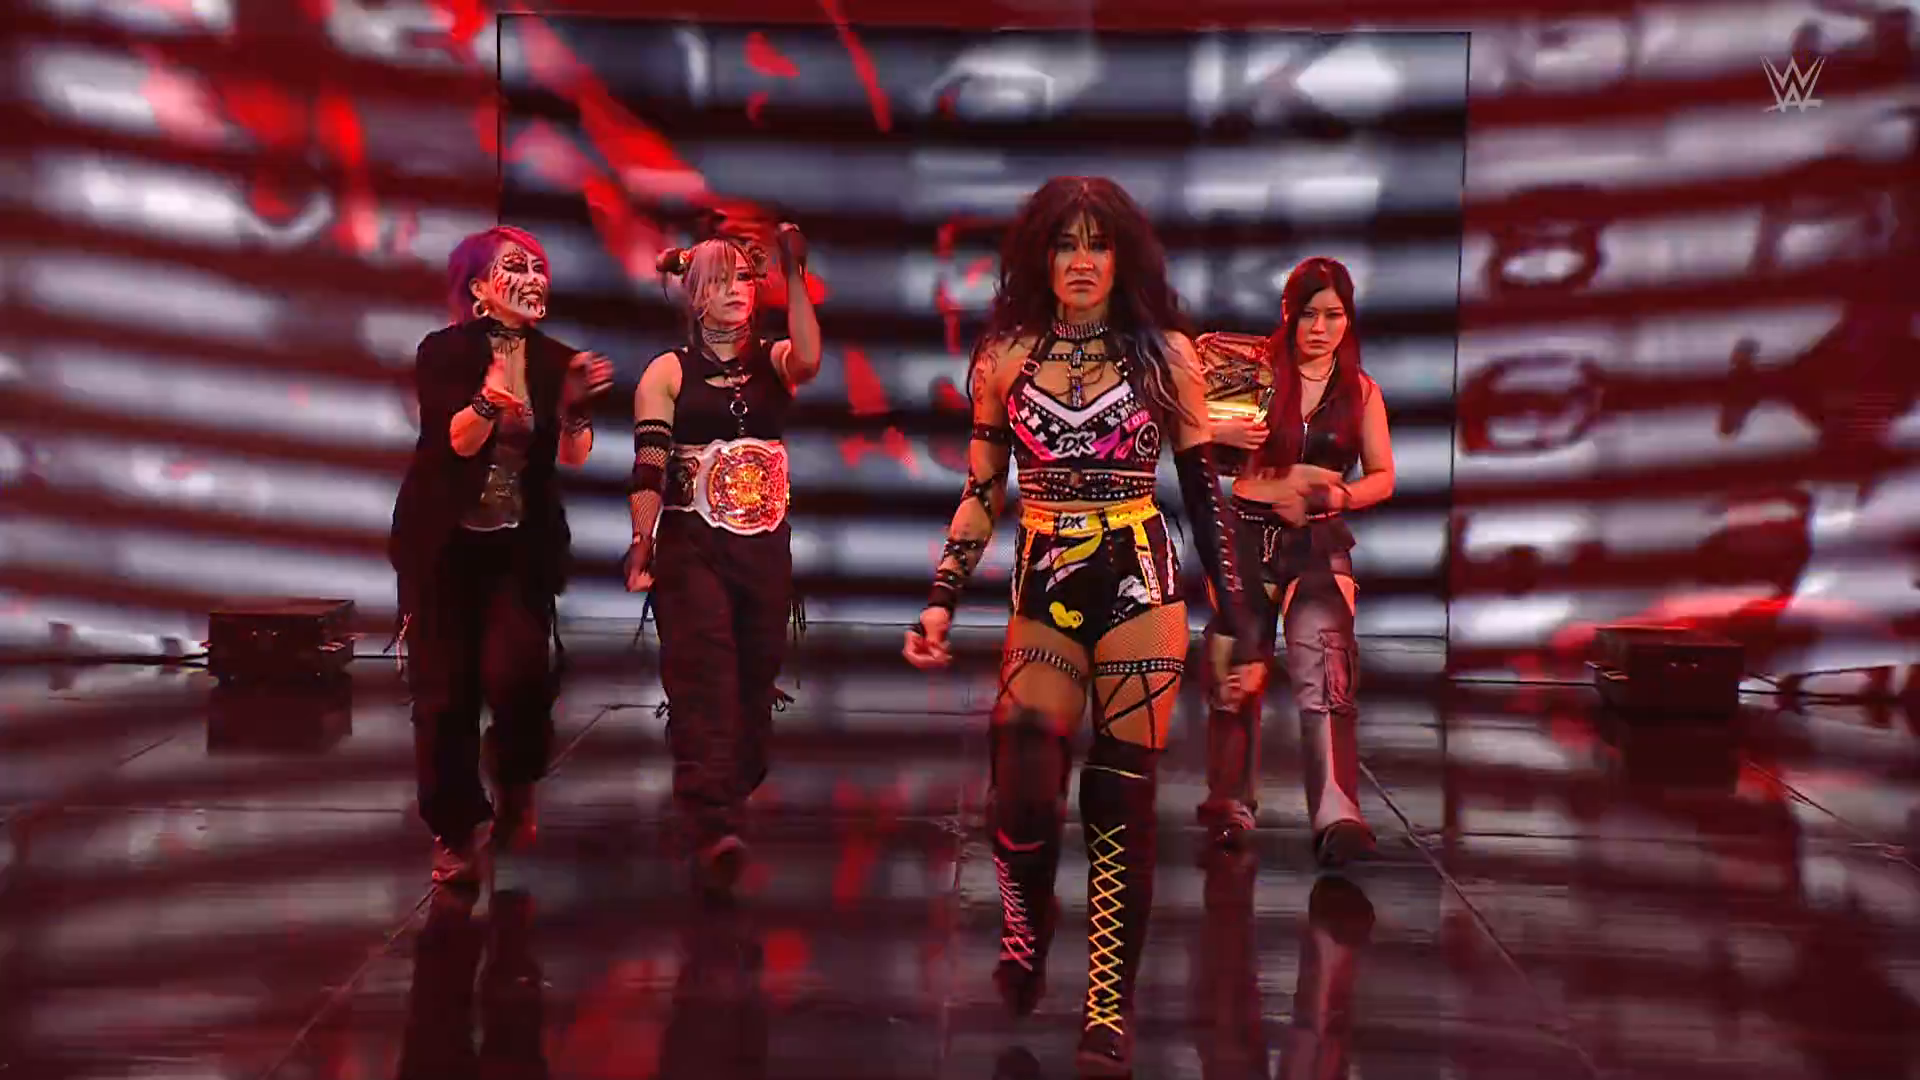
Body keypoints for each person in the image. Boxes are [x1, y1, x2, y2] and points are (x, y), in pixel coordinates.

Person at [901, 175, 1264, 1075]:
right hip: (1045, 584)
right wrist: (942, 595)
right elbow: (982, 490)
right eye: (1066, 243)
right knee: (1022, 791)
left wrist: (1238, 618)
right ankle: (1028, 918)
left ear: (1123, 256)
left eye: (1099, 244)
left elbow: (1203, 496)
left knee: (1118, 799)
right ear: (1041, 253)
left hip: (1141, 582)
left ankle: (1108, 1005)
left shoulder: (1166, 356)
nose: (1082, 261)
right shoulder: (1004, 356)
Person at [389, 225, 614, 887]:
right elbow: (456, 443)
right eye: (517, 267)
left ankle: (515, 781)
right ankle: (455, 829)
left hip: (518, 548)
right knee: (444, 696)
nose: (534, 278)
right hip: (444, 548)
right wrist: (490, 395)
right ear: (480, 289)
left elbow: (574, 455)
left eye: (540, 267)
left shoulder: (555, 358)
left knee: (519, 677)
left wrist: (575, 408)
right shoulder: (443, 352)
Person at [625, 220, 820, 890]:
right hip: (693, 546)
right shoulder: (667, 372)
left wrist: (795, 274)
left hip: (763, 548)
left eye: (744, 279)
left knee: (755, 676)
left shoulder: (772, 361)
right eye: (719, 281)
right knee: (703, 671)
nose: (736, 291)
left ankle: (725, 793)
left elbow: (809, 360)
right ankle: (711, 822)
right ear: (694, 294)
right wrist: (641, 541)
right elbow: (649, 465)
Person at [1199, 255, 1395, 865]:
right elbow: (1187, 433)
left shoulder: (1361, 392)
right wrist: (1219, 432)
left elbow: (1383, 476)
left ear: (1348, 319)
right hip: (1246, 531)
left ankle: (1337, 813)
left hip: (1317, 537)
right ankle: (1230, 805)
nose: (1320, 328)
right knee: (1234, 664)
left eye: (1333, 315)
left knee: (1326, 666)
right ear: (1288, 314)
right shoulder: (1251, 371)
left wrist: (1339, 496)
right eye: (1308, 314)